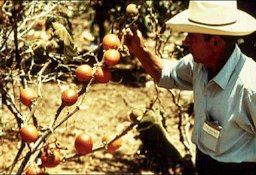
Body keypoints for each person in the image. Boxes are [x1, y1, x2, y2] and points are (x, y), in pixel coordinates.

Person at [123, 1, 256, 175]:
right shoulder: (199, 65)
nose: (185, 41)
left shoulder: (249, 86)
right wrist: (139, 50)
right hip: (204, 162)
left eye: (192, 35)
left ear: (215, 43)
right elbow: (167, 74)